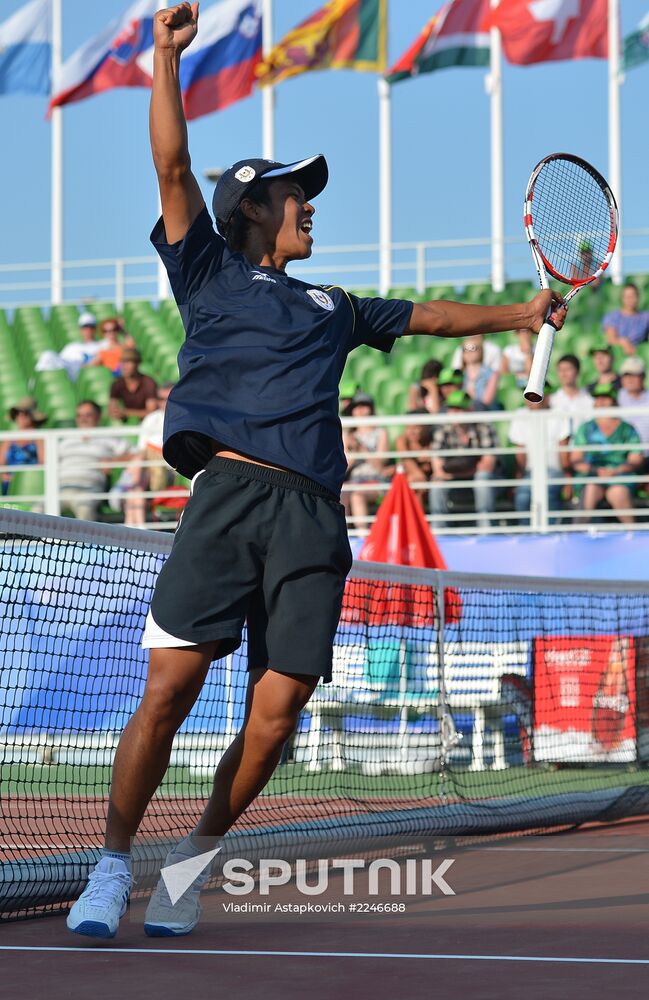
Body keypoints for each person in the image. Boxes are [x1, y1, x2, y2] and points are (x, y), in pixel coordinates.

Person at [66, 2, 565, 942]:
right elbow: (171, 165)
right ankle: (110, 865)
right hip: (226, 500)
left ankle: (191, 865)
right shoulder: (207, 271)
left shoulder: (333, 304)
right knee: (167, 692)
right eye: (295, 191)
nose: (311, 203)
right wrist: (164, 58)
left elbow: (427, 317)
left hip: (310, 517)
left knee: (280, 709)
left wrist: (519, 315)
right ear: (250, 207)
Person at [571, 385, 642, 526]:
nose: (601, 401)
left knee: (618, 492)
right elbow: (576, 460)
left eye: (605, 397)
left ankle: (632, 533)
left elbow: (635, 459)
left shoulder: (627, 429)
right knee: (591, 489)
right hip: (592, 476)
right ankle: (577, 532)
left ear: (614, 400)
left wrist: (616, 471)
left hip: (620, 477)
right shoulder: (586, 428)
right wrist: (596, 471)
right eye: (598, 398)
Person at [429, 390, 498, 529]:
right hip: (456, 478)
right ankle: (439, 530)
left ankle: (486, 529)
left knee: (482, 479)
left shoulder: (484, 427)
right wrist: (461, 472)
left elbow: (487, 466)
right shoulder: (443, 430)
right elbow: (437, 469)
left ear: (470, 409)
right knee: (436, 484)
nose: (455, 412)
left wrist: (454, 473)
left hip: (480, 478)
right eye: (451, 408)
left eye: (460, 408)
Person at [58, 400, 132, 521]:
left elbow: (135, 454)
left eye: (88, 415)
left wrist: (113, 461)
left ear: (98, 417)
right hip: (62, 489)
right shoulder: (65, 440)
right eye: (79, 415)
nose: (83, 419)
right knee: (38, 512)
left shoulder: (109, 438)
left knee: (84, 511)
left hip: (89, 490)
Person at [508, 383, 571, 525]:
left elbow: (563, 450)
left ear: (547, 397)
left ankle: (552, 532)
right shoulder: (520, 415)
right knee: (522, 497)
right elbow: (520, 453)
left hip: (554, 471)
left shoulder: (559, 413)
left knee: (548, 494)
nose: (529, 399)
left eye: (534, 395)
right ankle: (526, 534)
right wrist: (518, 479)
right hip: (530, 473)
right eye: (527, 395)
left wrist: (568, 479)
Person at [116, 383, 176, 527]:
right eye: (161, 399)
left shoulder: (182, 419)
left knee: (138, 471)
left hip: (166, 471)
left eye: (168, 398)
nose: (164, 403)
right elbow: (142, 450)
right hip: (146, 469)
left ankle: (124, 486)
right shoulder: (151, 419)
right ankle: (138, 527)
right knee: (136, 491)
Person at [343, 392, 391, 531]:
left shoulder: (381, 433)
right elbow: (344, 468)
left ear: (371, 409)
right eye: (356, 406)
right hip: (353, 481)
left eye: (364, 406)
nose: (360, 410)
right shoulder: (347, 435)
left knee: (357, 495)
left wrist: (361, 448)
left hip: (375, 481)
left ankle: (362, 536)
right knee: (340, 495)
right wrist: (352, 454)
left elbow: (380, 466)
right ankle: (343, 534)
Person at [0, 397, 46, 495]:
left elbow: (43, 464)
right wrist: (3, 476)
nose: (20, 416)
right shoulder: (9, 439)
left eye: (25, 413)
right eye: (18, 413)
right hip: (8, 485)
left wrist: (24, 478)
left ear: (32, 416)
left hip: (31, 484)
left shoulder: (40, 439)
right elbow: (1, 463)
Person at [394, 410, 433, 509]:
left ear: (427, 427)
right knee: (414, 482)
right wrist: (420, 475)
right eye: (408, 427)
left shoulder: (433, 440)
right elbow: (406, 460)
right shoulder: (402, 440)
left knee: (414, 482)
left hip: (429, 478)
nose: (411, 431)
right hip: (417, 480)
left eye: (416, 427)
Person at [108, 348, 158, 422]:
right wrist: (117, 413)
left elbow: (152, 412)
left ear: (137, 364)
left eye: (128, 362)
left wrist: (126, 413)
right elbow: (112, 409)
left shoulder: (148, 383)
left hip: (148, 423)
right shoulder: (117, 384)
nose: (125, 366)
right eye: (123, 362)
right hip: (125, 423)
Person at [617, 356, 649, 470]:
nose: (630, 379)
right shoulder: (615, 398)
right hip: (622, 457)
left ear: (643, 376)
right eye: (626, 375)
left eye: (634, 375)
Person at [549, 354, 592, 438]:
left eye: (568, 369)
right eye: (560, 370)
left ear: (578, 371)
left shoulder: (589, 400)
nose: (564, 374)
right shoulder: (551, 401)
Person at [58, 312, 108, 380]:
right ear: (80, 329)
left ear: (95, 329)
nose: (88, 330)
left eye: (91, 327)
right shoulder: (72, 347)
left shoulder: (103, 345)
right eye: (85, 327)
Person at [602, 282, 649, 356]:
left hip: (639, 354)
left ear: (638, 297)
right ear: (622, 298)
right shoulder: (613, 317)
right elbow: (611, 339)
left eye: (633, 296)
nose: (630, 299)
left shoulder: (645, 317)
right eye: (627, 297)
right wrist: (624, 343)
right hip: (618, 354)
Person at [460, 335, 500, 409]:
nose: (468, 352)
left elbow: (486, 402)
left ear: (480, 350)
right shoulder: (459, 375)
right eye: (465, 349)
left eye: (472, 348)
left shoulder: (492, 374)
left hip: (486, 412)